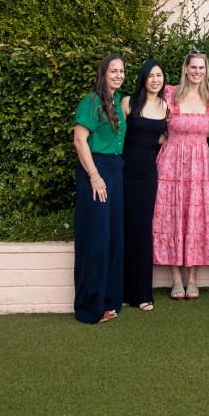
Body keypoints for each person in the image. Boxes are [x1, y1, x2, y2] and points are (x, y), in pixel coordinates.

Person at [152, 50, 209, 300]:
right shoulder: (171, 95)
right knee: (171, 215)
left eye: (201, 68)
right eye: (193, 67)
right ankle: (176, 278)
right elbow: (156, 126)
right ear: (185, 69)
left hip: (199, 165)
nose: (197, 72)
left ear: (206, 71)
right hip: (171, 164)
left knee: (196, 214)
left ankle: (192, 278)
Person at [72, 53, 126, 324]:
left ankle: (109, 301)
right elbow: (80, 140)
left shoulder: (116, 102)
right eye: (113, 71)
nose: (118, 75)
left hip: (116, 170)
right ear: (103, 73)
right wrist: (94, 175)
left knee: (114, 237)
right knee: (96, 238)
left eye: (122, 71)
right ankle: (88, 309)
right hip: (96, 171)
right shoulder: (92, 101)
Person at [121, 60, 168, 311]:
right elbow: (117, 134)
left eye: (159, 76)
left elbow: (165, 135)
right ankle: (125, 292)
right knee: (125, 230)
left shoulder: (164, 106)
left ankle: (142, 294)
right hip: (125, 173)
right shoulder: (129, 102)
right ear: (143, 78)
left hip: (148, 176)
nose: (155, 80)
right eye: (150, 76)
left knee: (142, 231)